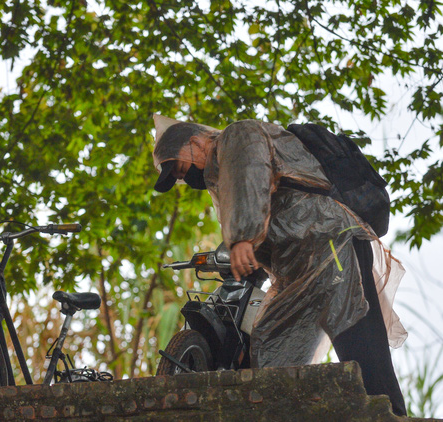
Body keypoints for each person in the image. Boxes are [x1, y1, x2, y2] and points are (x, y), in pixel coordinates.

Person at [152, 115, 407, 416]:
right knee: (271, 349)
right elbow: (273, 212)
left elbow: (252, 173)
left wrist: (243, 237)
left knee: (360, 343)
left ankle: (391, 414)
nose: (184, 178)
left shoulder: (237, 136)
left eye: (181, 168)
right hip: (299, 270)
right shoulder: (222, 174)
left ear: (195, 142)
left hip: (329, 244)